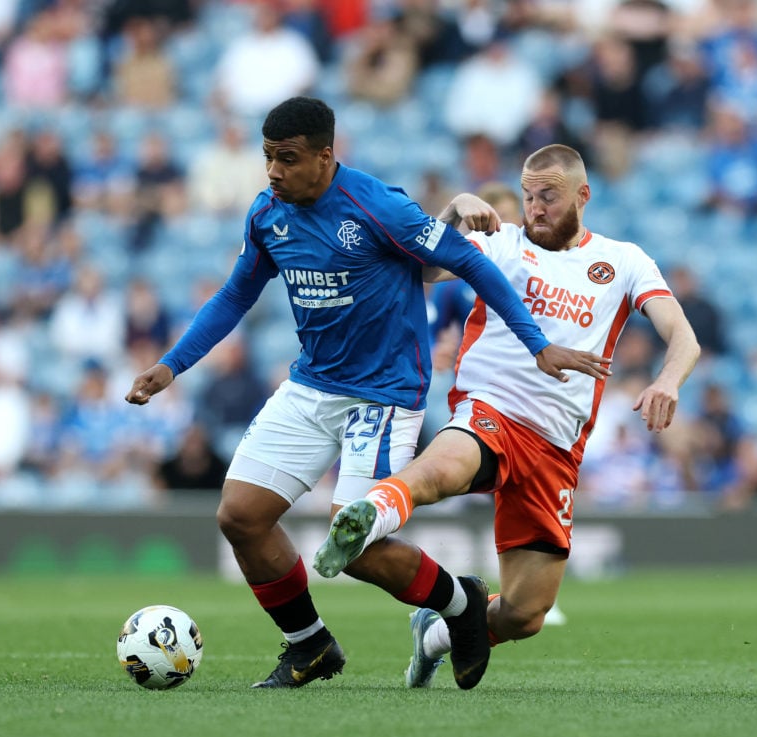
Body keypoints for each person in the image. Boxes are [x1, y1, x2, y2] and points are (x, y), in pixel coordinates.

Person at [124, 98, 610, 691]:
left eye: (288, 158)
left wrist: (536, 344)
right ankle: (311, 646)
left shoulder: (378, 206)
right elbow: (234, 295)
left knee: (353, 543)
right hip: (312, 384)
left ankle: (461, 607)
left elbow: (469, 263)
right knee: (242, 517)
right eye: (268, 158)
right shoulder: (268, 213)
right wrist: (172, 366)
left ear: (325, 156)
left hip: (382, 395)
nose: (274, 171)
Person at [314, 143, 700, 689]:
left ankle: (436, 633)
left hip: (557, 447)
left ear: (582, 195)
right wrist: (452, 210)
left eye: (548, 196)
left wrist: (667, 380)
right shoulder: (500, 243)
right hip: (490, 408)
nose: (535, 207)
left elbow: (682, 334)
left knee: (524, 615)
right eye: (527, 196)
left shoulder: (624, 261)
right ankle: (366, 515)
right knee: (444, 468)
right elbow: (420, 268)